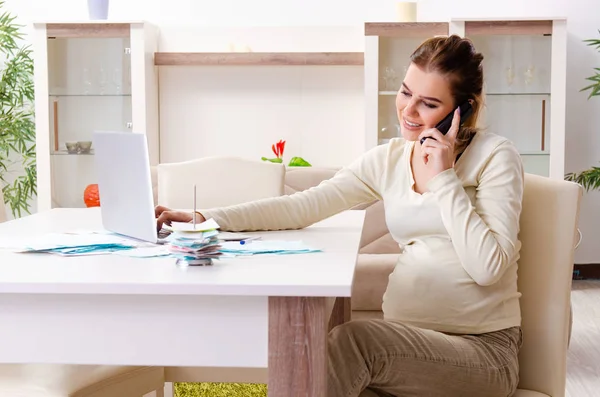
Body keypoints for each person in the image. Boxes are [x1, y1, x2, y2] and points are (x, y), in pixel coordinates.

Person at [155, 34, 524, 397]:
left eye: (427, 103)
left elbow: (488, 267)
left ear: (464, 109)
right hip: (405, 347)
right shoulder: (390, 159)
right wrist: (205, 217)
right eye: (405, 92)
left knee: (352, 343)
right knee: (321, 365)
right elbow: (302, 206)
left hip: (482, 353)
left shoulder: (495, 156)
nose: (408, 111)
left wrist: (444, 180)